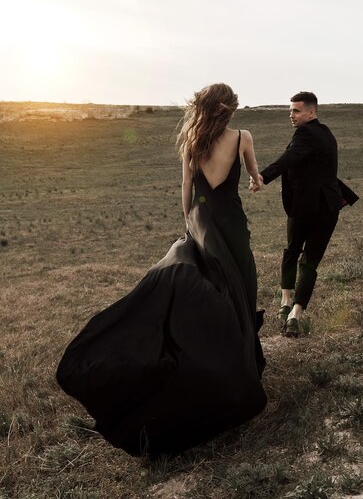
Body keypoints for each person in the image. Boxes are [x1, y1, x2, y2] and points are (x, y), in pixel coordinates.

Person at [56, 83, 266, 457]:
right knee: (242, 282)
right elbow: (255, 176)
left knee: (209, 283)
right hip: (232, 223)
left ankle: (213, 350)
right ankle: (243, 360)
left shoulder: (192, 141)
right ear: (230, 109)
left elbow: (186, 187)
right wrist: (254, 180)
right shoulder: (243, 136)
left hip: (202, 221)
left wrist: (189, 224)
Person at [250, 91, 358, 337]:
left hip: (305, 207)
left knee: (292, 251)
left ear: (311, 112)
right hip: (329, 207)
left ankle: (287, 303)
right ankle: (294, 312)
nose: (291, 115)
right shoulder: (327, 133)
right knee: (310, 260)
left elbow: (289, 158)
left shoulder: (305, 134)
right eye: (290, 110)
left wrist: (262, 177)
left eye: (296, 111)